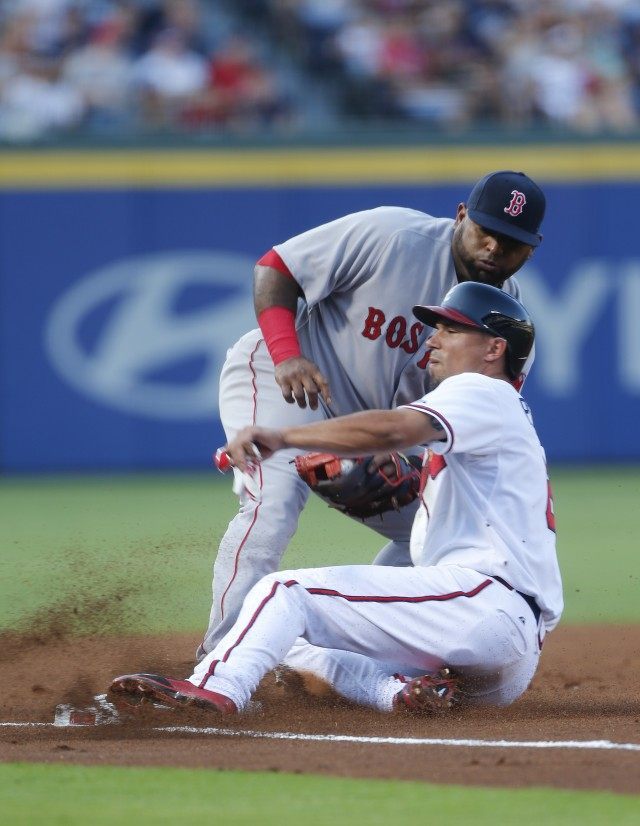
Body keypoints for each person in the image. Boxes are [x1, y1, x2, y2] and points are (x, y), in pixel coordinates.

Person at [110, 282, 563, 715]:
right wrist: (404, 482)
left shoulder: (482, 389)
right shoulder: (500, 415)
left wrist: (283, 434)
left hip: (478, 604)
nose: (433, 340)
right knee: (287, 643)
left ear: (494, 349)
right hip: (502, 651)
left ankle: (215, 688)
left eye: (452, 328)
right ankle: (394, 692)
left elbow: (392, 428)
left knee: (283, 592)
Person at [197, 169, 546, 660]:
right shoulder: (393, 235)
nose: (492, 246)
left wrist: (415, 467)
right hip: (291, 385)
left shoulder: (505, 332)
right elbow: (276, 268)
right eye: (483, 230)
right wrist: (286, 353)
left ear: (531, 249)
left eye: (508, 241)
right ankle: (222, 655)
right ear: (461, 216)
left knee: (444, 534)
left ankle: (356, 663)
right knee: (271, 503)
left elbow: (464, 424)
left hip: (377, 433)